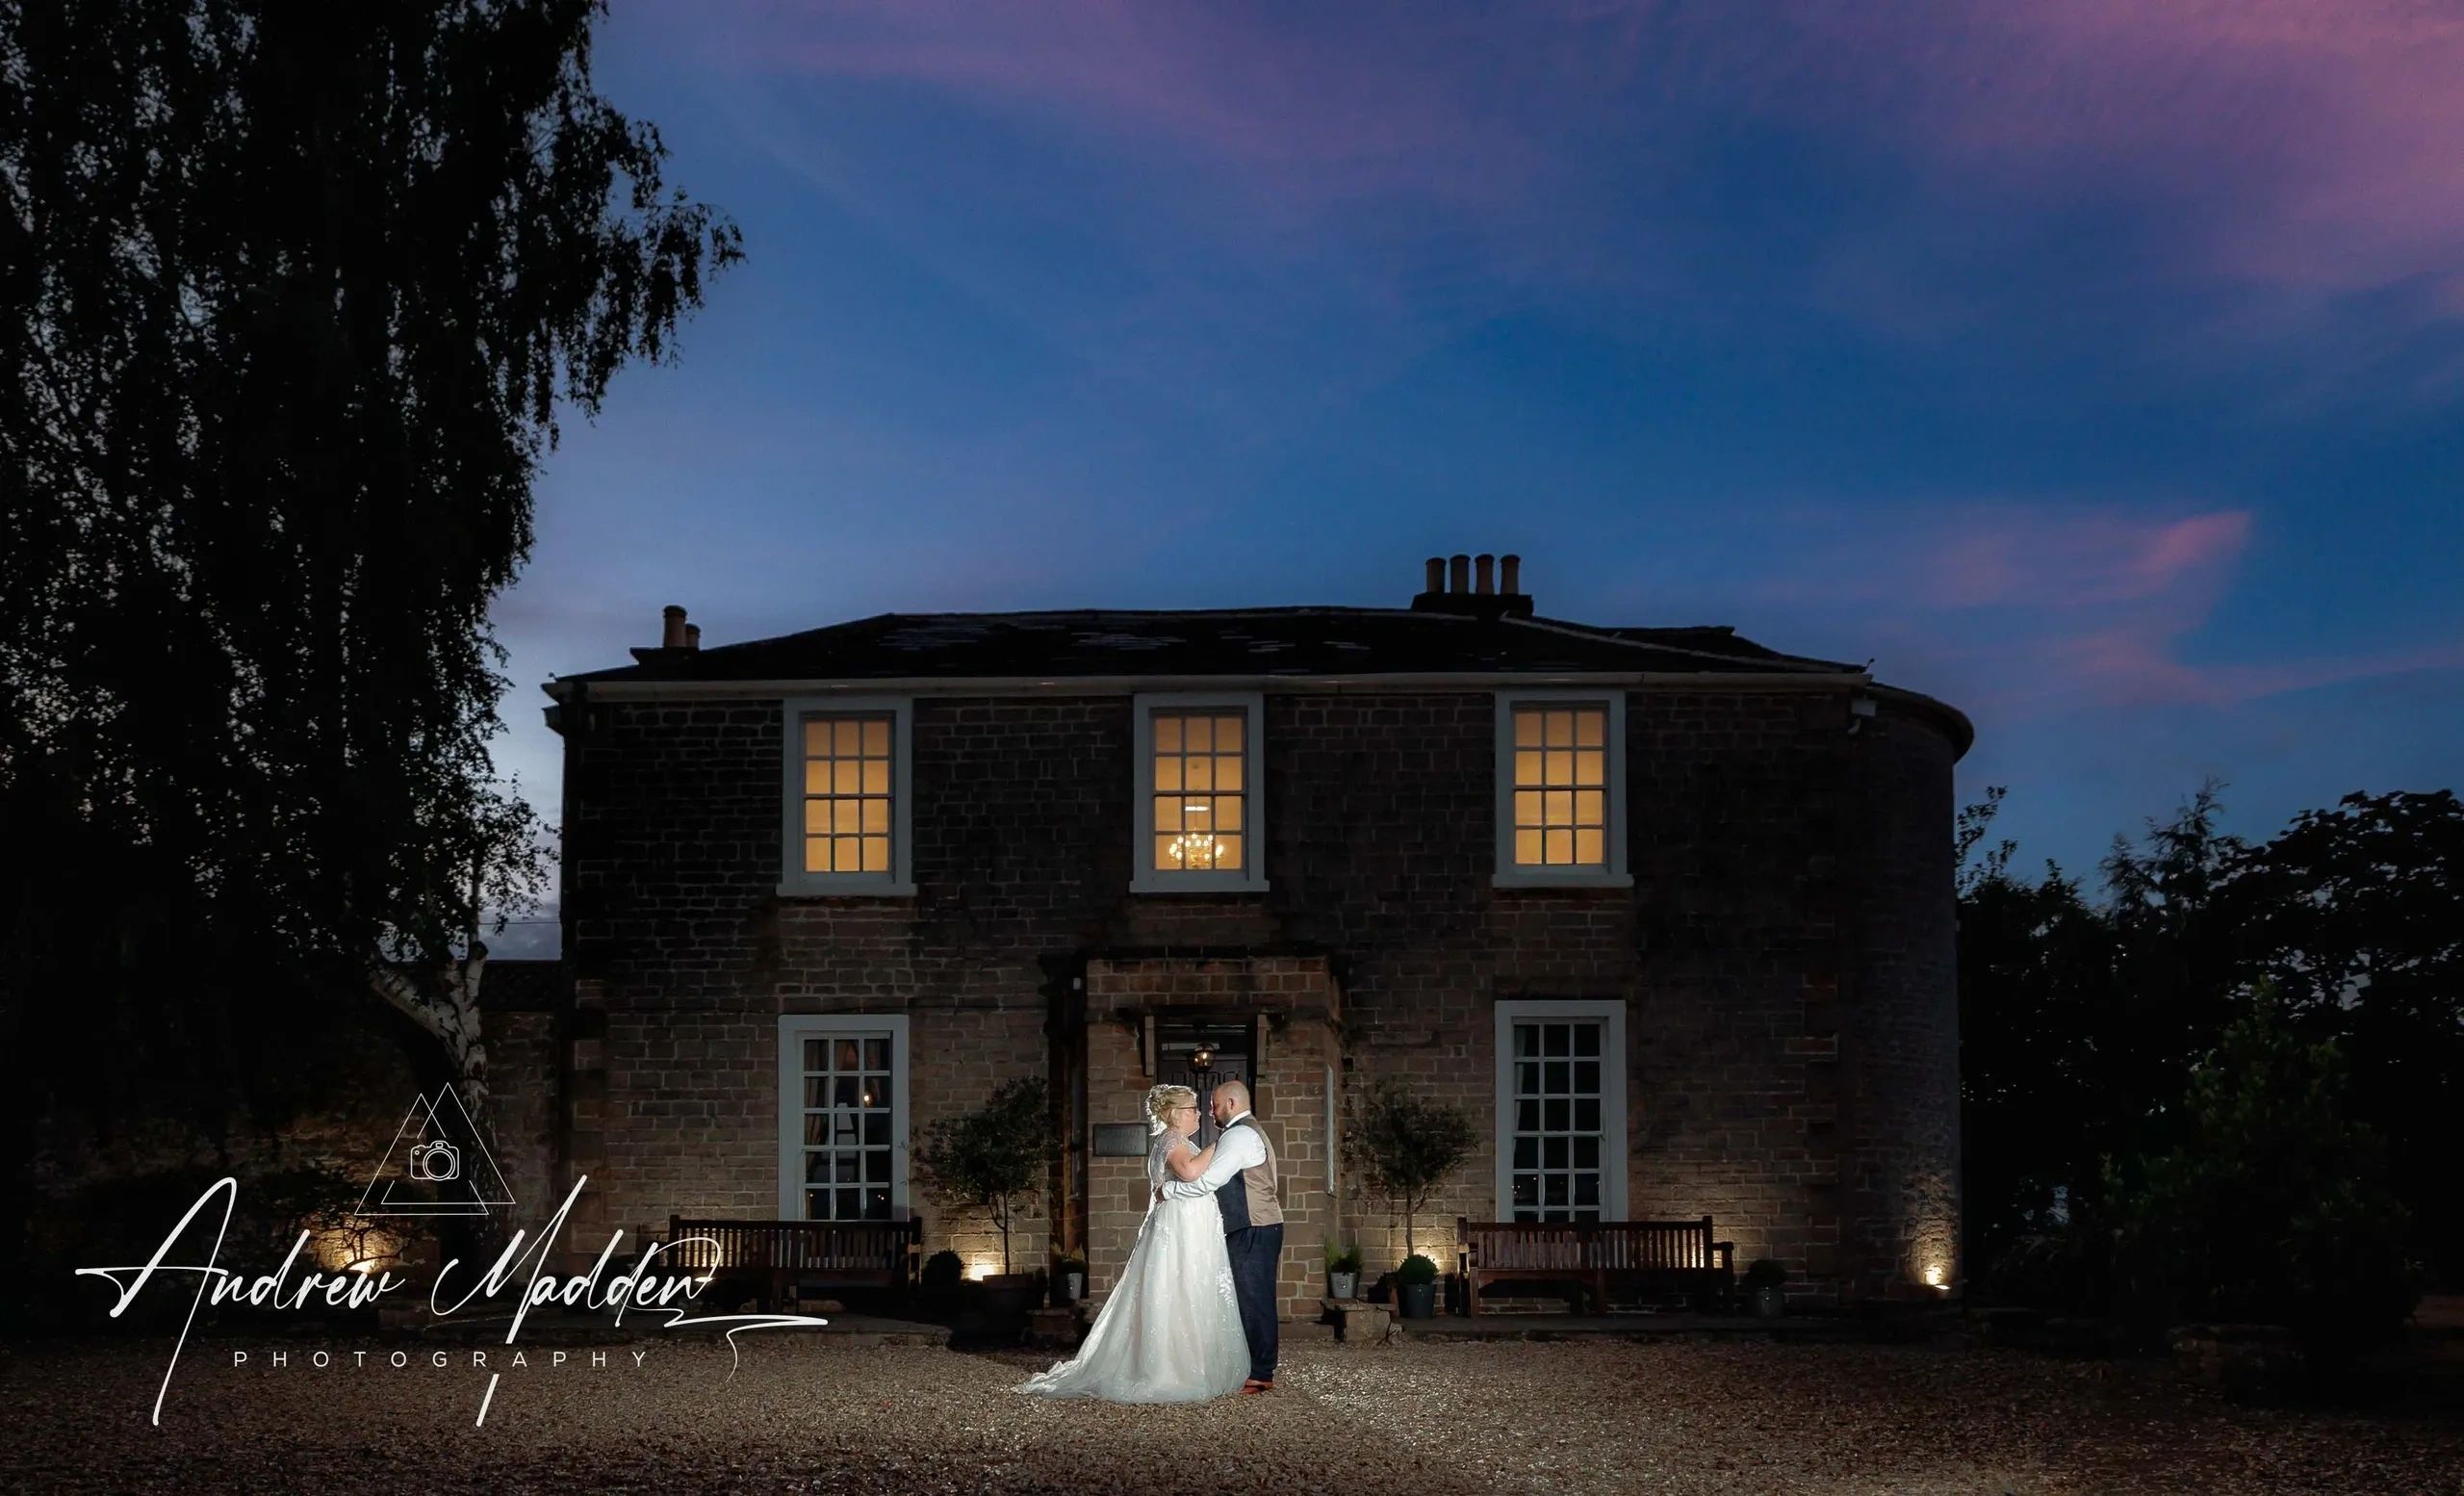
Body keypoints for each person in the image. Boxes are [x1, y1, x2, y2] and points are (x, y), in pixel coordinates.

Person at [1012, 1083, 1249, 1402]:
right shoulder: (1172, 1141)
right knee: (1177, 1287)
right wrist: (1220, 1145)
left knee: (1190, 1286)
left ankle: (1196, 1362)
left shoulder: (1179, 1140)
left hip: (1190, 1224)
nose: (1198, 1114)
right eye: (1193, 1108)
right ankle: (1173, 1368)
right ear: (1176, 1115)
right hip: (1180, 1228)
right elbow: (1189, 1172)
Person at [1154, 1078, 1284, 1394]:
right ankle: (1253, 1367)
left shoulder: (1240, 1136)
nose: (1209, 1112)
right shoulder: (1239, 1134)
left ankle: (1261, 1373)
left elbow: (1207, 1181)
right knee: (1247, 1297)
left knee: (1255, 1298)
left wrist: (1167, 1190)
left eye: (1213, 1105)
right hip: (1251, 1225)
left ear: (1231, 1104)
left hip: (1255, 1225)